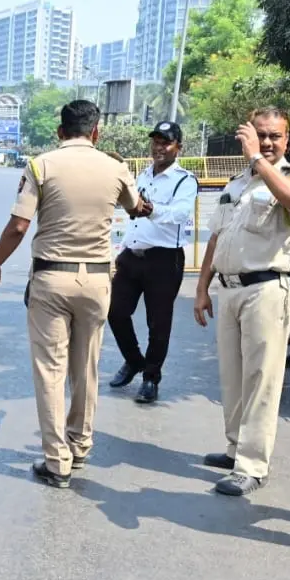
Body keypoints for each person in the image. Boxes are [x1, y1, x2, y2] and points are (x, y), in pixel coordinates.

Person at [0, 100, 148, 488]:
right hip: (97, 281)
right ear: (96, 132)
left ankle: (57, 461)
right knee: (86, 366)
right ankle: (81, 444)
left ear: (60, 131)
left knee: (50, 371)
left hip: (52, 279)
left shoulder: (41, 166)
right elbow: (136, 207)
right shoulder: (115, 167)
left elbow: (19, 226)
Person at [193, 107, 290, 496]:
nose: (266, 142)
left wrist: (257, 161)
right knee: (232, 376)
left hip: (267, 288)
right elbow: (217, 237)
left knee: (262, 379)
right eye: (259, 135)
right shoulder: (237, 182)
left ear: (287, 140)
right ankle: (235, 449)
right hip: (230, 289)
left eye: (274, 136)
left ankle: (253, 465)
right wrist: (202, 288)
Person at [107, 121, 200, 403]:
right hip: (132, 255)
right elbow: (130, 209)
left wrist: (151, 210)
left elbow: (180, 214)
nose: (159, 148)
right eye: (156, 142)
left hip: (164, 259)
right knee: (114, 311)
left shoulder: (185, 180)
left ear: (178, 147)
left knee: (158, 324)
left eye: (166, 143)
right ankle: (134, 360)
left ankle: (151, 378)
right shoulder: (143, 174)